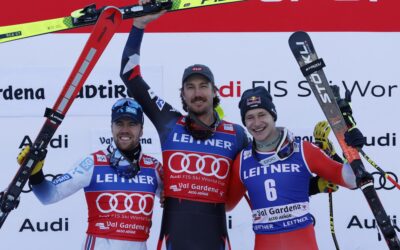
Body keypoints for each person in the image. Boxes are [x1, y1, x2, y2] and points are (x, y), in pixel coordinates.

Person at [119, 6, 249, 250]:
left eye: (203, 86)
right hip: (175, 238)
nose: (197, 93)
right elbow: (130, 76)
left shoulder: (236, 134)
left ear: (215, 92)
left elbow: (265, 173)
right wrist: (138, 27)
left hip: (215, 239)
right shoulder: (169, 122)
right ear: (182, 93)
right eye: (190, 87)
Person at [226, 86, 365, 250]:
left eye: (262, 114)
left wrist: (351, 148)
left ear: (273, 115)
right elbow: (227, 205)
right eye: (250, 117)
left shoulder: (303, 150)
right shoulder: (242, 160)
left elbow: (352, 180)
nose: (256, 123)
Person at [18, 98, 163, 250]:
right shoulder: (93, 163)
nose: (125, 130)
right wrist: (35, 173)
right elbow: (48, 195)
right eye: (119, 123)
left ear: (141, 130)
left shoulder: (153, 167)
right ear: (112, 127)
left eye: (132, 124)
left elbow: (179, 197)